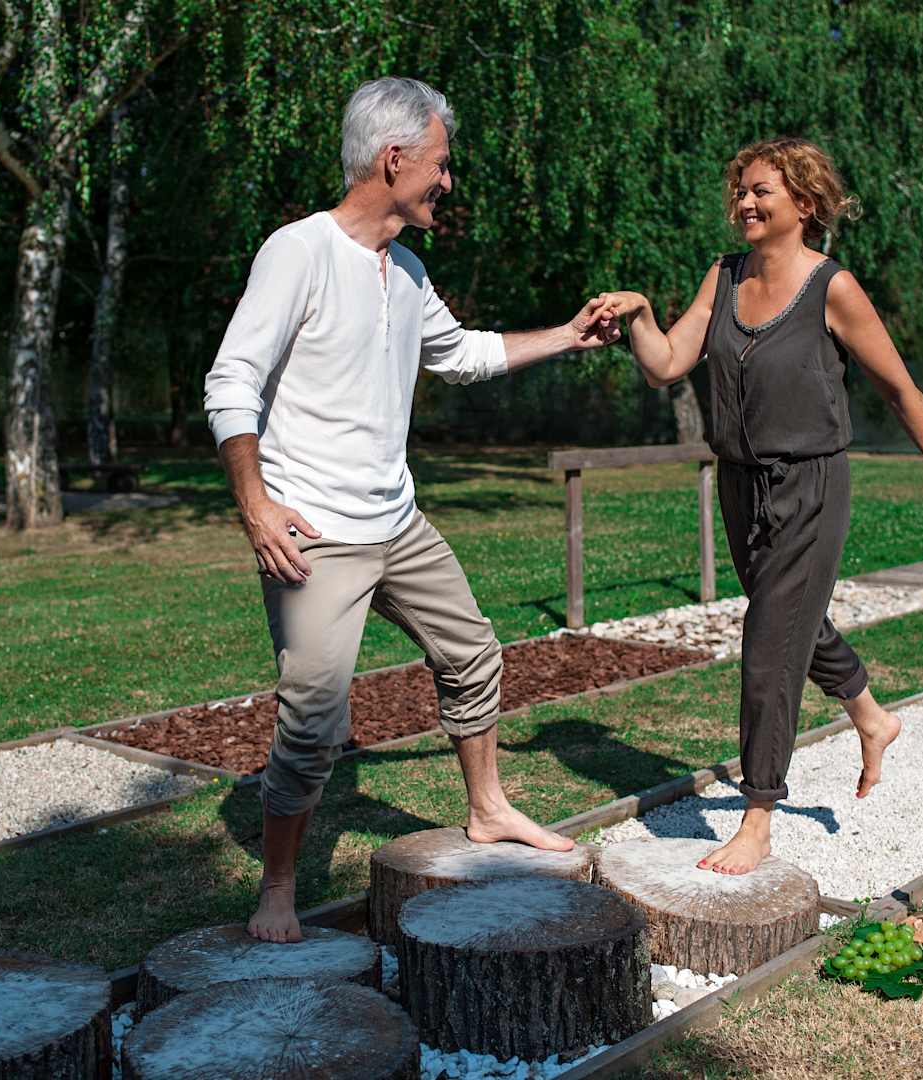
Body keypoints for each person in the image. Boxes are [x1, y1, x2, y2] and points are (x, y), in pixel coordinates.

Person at [204, 76, 620, 942]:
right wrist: (255, 503)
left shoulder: (407, 270)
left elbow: (458, 353)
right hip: (316, 535)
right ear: (394, 160)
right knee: (314, 721)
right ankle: (278, 886)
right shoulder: (299, 252)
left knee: (472, 652)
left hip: (397, 522)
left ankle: (489, 809)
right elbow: (232, 379)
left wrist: (567, 335)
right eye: (440, 164)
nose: (447, 181)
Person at [590, 137, 923, 875]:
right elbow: (666, 363)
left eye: (762, 190)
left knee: (768, 644)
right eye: (740, 191)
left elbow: (899, 388)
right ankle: (871, 716)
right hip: (741, 484)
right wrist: (639, 313)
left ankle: (757, 816)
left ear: (805, 201)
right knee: (792, 618)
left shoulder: (833, 288)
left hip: (810, 483)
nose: (745, 203)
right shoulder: (724, 276)